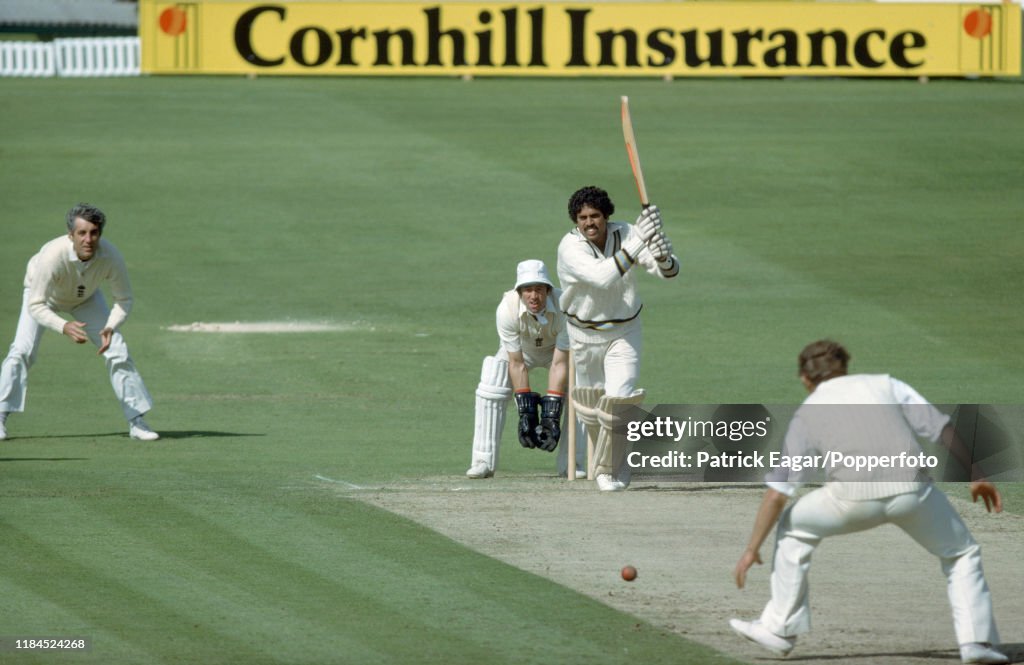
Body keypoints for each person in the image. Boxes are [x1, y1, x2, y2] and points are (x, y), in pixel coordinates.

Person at [730, 340, 1007, 665]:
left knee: (793, 525)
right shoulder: (886, 385)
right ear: (845, 367)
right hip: (912, 493)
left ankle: (779, 629)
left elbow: (778, 492)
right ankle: (977, 643)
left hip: (848, 501)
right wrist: (977, 473)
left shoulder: (807, 413)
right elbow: (941, 428)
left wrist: (751, 549)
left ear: (805, 378)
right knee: (962, 553)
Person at [0, 204, 159, 442]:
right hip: (45, 298)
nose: (88, 239)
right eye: (82, 233)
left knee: (117, 350)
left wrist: (110, 326)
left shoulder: (111, 256)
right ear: (70, 235)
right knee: (22, 351)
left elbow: (123, 299)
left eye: (94, 232)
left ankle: (137, 422)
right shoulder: (52, 255)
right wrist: (63, 326)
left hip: (86, 298)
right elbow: (35, 304)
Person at [556, 186, 679, 491]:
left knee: (620, 400)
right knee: (591, 408)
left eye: (595, 216)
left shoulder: (625, 232)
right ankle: (610, 463)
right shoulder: (570, 248)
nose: (589, 222)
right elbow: (602, 277)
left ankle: (609, 468)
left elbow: (669, 271)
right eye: (582, 217)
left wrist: (663, 256)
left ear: (606, 216)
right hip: (583, 335)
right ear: (576, 220)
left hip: (624, 330)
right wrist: (639, 241)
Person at [466, 259, 584, 478]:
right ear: (519, 292)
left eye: (539, 289)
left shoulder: (565, 307)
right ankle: (483, 461)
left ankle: (572, 462)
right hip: (522, 352)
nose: (534, 296)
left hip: (556, 353)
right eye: (528, 290)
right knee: (493, 377)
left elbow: (559, 363)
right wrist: (526, 411)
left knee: (583, 385)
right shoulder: (507, 309)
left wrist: (551, 415)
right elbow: (516, 363)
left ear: (548, 290)